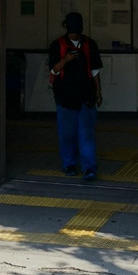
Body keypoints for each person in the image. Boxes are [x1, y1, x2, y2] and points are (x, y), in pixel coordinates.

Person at [48, 11, 102, 180]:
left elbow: (95, 70)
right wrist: (66, 60)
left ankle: (88, 167)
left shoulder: (89, 44)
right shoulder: (57, 45)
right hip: (65, 97)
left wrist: (98, 92)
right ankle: (70, 165)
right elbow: (53, 70)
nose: (74, 32)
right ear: (66, 27)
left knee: (85, 134)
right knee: (68, 134)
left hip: (86, 96)